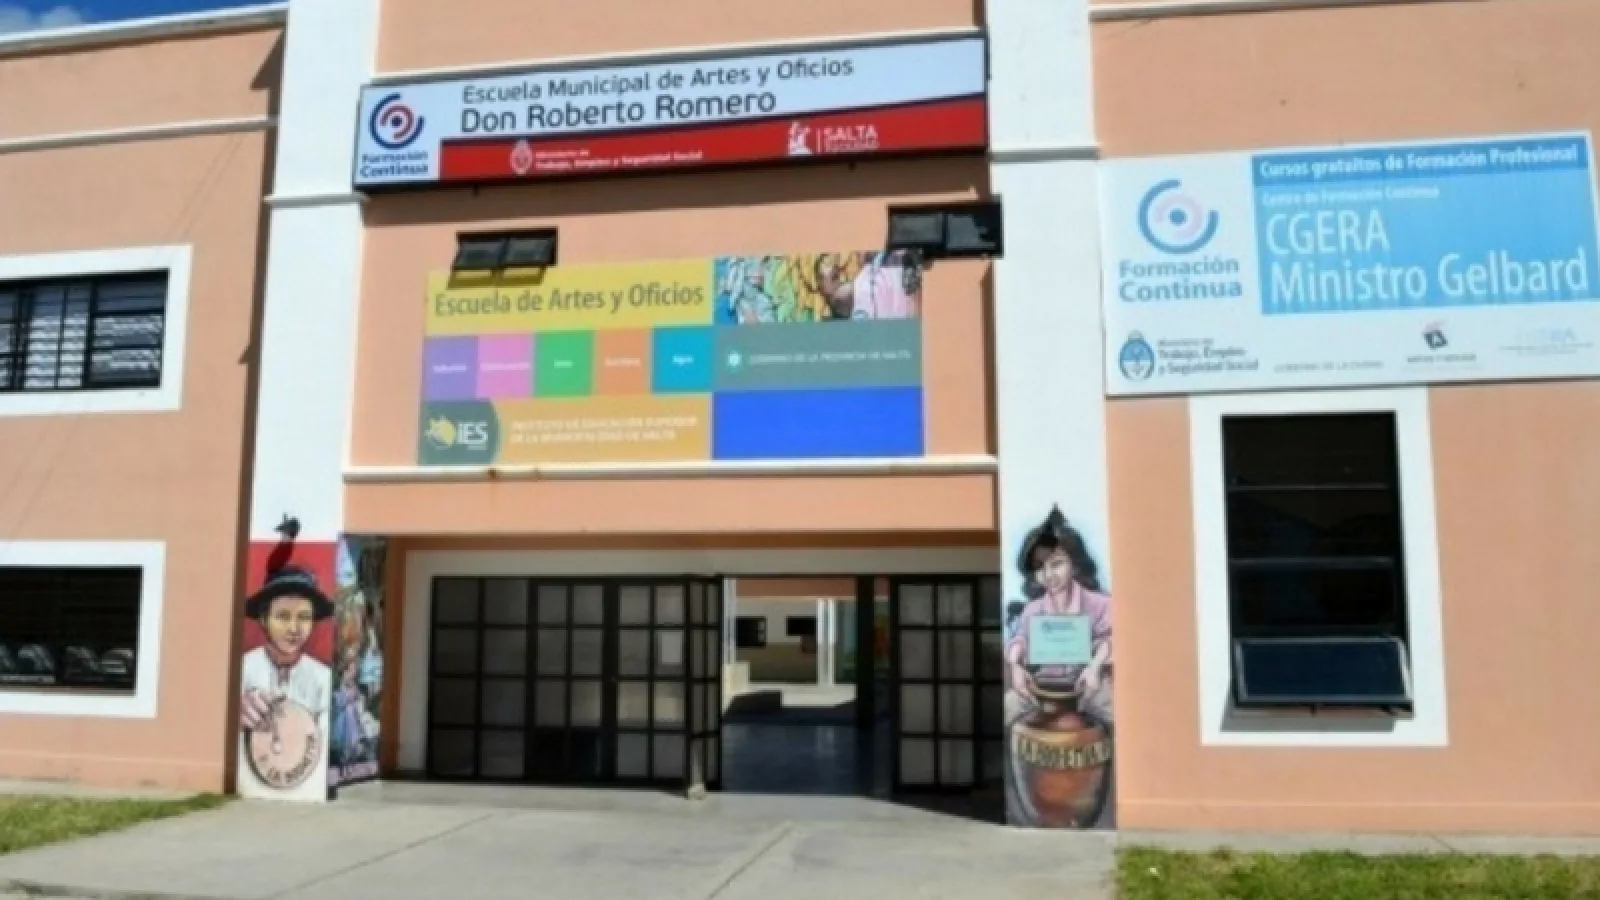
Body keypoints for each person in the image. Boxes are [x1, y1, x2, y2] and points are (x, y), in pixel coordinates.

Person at [1005, 507, 1112, 726]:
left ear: (1074, 564)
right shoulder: (1032, 610)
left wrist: (1095, 666)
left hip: (1089, 686)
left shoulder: (1101, 604)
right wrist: (1015, 666)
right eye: (1039, 567)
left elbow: (1109, 641)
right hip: (1042, 691)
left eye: (1057, 564)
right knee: (1009, 706)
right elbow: (1020, 640)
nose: (1048, 575)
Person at [239, 565, 333, 735]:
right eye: (282, 616)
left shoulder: (323, 678)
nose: (294, 629)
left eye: (304, 617)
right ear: (264, 620)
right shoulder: (242, 669)